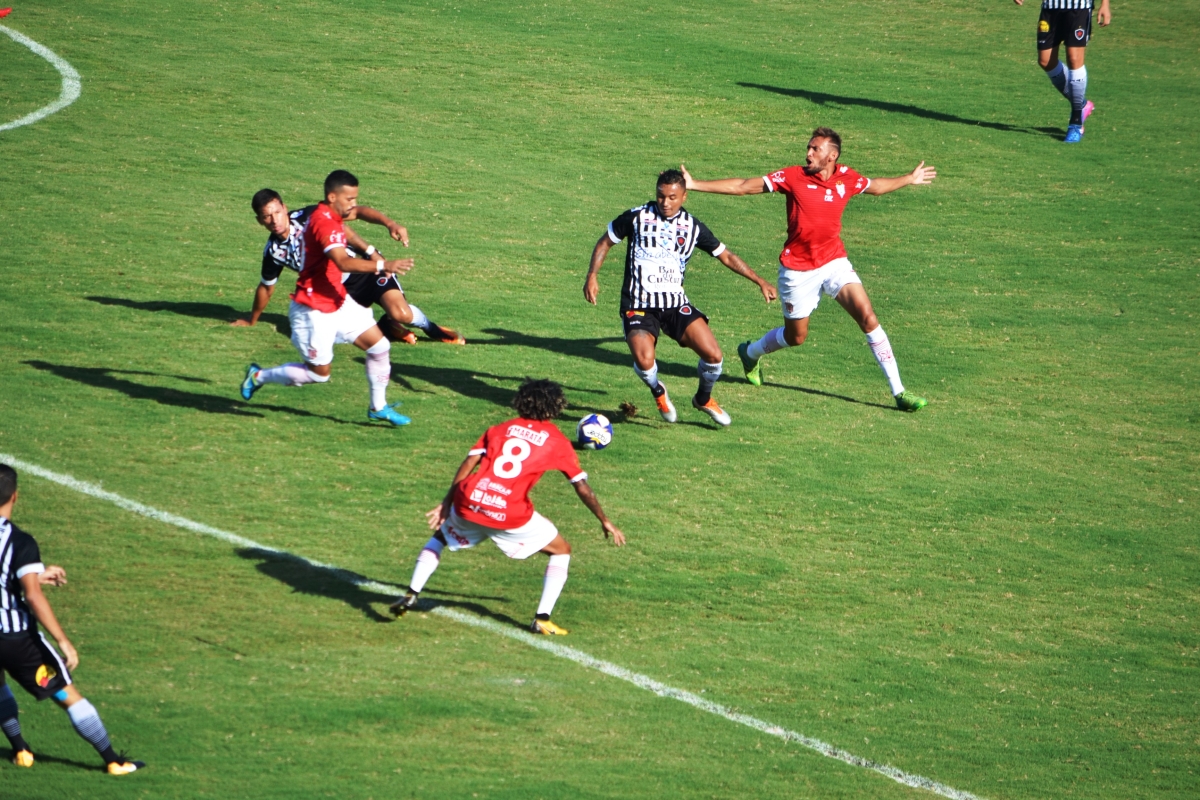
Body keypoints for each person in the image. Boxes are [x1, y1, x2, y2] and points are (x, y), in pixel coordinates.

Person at [681, 128, 935, 412]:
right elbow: (743, 185)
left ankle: (899, 392)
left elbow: (876, 186)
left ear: (832, 156)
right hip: (797, 271)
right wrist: (694, 184)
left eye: (815, 149)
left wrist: (909, 179)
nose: (808, 154)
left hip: (834, 261)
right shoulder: (793, 176)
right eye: (808, 148)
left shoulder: (847, 178)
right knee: (796, 337)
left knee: (868, 317)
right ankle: (750, 352)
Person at [389, 380, 625, 635]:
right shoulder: (557, 441)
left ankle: (412, 593)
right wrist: (604, 519)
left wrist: (447, 503)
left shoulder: (500, 429)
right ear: (555, 408)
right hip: (509, 512)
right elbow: (582, 487)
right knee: (561, 551)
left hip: (470, 499)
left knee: (440, 536)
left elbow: (469, 463)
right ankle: (542, 619)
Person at [584, 169, 776, 427]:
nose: (665, 203)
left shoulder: (693, 227)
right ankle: (658, 392)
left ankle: (703, 399)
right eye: (661, 196)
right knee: (644, 359)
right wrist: (592, 275)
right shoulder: (637, 217)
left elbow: (726, 256)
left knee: (714, 356)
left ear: (684, 196)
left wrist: (759, 281)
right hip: (639, 305)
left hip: (675, 305)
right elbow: (605, 242)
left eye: (672, 197)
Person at [0, 464, 144, 774]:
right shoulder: (20, 542)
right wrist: (64, 641)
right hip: (18, 642)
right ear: (15, 496)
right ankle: (113, 761)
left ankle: (21, 750)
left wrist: (35, 575)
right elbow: (33, 597)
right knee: (67, 694)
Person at [240, 171, 412, 426]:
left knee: (380, 347)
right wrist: (382, 264)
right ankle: (258, 376)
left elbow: (359, 212)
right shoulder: (322, 223)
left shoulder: (324, 212)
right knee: (319, 375)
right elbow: (342, 261)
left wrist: (390, 224)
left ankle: (378, 407)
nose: (353, 203)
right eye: (349, 198)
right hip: (312, 310)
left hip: (336, 299)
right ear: (333, 197)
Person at [233, 188, 464, 345]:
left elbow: (357, 212)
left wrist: (389, 225)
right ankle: (386, 327)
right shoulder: (273, 252)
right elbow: (266, 287)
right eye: (266, 217)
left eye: (276, 212)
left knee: (401, 312)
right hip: (338, 292)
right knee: (332, 340)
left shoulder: (312, 216)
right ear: (259, 220)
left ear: (284, 207)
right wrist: (252, 320)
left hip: (366, 271)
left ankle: (433, 330)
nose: (274, 220)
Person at [1015, 0, 1111, 143]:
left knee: (1074, 58)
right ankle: (1081, 105)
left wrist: (1105, 4)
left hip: (1079, 8)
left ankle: (1076, 124)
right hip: (1051, 7)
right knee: (1046, 61)